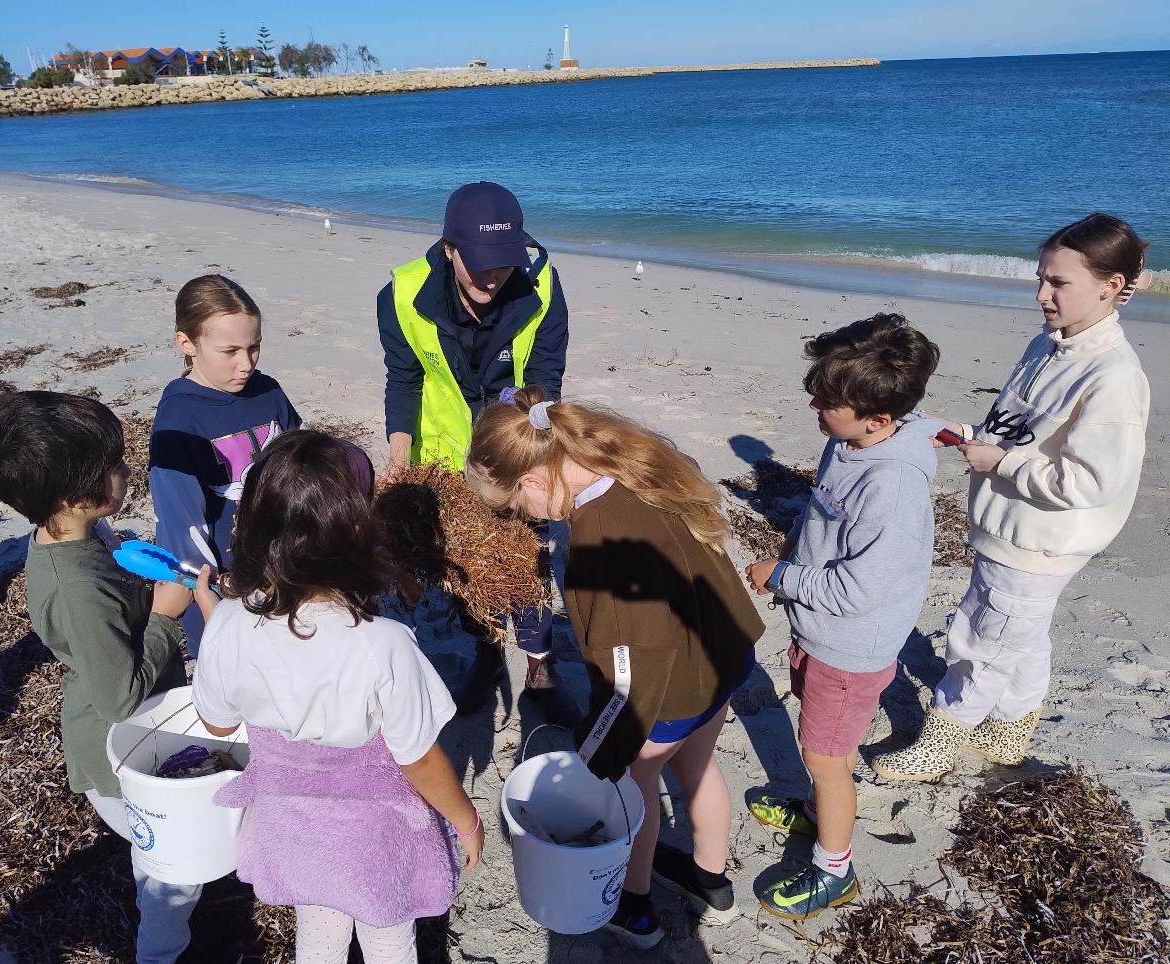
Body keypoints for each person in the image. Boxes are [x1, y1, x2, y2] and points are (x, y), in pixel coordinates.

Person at [466, 387, 765, 948]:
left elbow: (631, 675)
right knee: (699, 768)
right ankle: (711, 881)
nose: (526, 519)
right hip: (722, 653)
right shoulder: (629, 460)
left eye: (517, 508)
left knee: (635, 786)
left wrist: (599, 752)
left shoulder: (601, 538)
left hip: (671, 688)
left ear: (533, 479)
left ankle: (634, 907)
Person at [871, 213, 1152, 782]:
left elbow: (1091, 483)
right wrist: (970, 436)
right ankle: (1010, 729)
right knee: (1021, 634)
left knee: (982, 636)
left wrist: (1001, 461)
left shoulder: (1113, 377)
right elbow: (1018, 428)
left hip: (1041, 539)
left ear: (1113, 287)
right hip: (1007, 522)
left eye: (1060, 284)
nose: (1043, 295)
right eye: (1041, 278)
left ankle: (942, 741)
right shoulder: (1046, 345)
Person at [188, 430, 481, 963]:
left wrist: (218, 629)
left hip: (295, 829)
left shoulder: (228, 625)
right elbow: (417, 759)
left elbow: (218, 726)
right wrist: (465, 818)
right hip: (376, 837)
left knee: (318, 934)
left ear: (251, 525)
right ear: (359, 534)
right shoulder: (383, 643)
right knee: (389, 935)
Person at [0, 391, 201, 963]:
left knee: (169, 862)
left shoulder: (78, 533)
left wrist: (141, 582)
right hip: (118, 747)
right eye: (115, 466)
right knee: (173, 869)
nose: (126, 471)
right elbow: (119, 696)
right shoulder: (75, 587)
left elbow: (112, 611)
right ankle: (162, 954)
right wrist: (166, 618)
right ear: (74, 495)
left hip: (139, 724)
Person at [743, 314, 943, 920]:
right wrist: (792, 552)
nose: (814, 406)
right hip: (819, 632)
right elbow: (821, 512)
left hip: (850, 646)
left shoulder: (893, 486)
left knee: (830, 759)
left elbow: (859, 589)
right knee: (820, 739)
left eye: (829, 402)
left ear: (879, 418)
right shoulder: (853, 439)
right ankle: (815, 807)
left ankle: (835, 868)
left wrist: (781, 577)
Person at [377, 181, 570, 713]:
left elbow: (548, 374)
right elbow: (404, 380)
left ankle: (538, 666)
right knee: (463, 566)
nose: (491, 277)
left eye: (503, 262)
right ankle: (483, 652)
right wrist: (400, 460)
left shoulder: (542, 287)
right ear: (450, 249)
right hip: (443, 460)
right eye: (478, 262)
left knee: (528, 561)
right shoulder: (401, 297)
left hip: (517, 451)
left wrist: (524, 434)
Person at [150, 274, 301, 656]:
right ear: (187, 343)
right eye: (229, 350)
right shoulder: (178, 420)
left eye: (254, 347)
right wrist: (212, 588)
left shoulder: (268, 391)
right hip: (224, 585)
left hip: (285, 566)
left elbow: (301, 466)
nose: (246, 364)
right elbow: (182, 527)